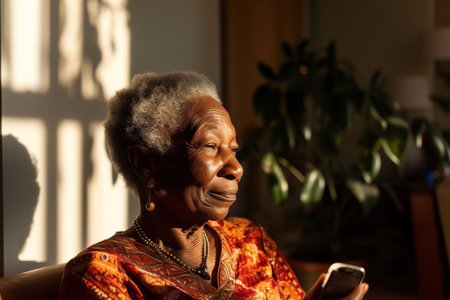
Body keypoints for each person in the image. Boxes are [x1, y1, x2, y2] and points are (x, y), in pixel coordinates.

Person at [59, 71, 369, 299]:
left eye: (233, 150)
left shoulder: (252, 241)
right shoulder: (103, 274)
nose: (236, 168)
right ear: (145, 163)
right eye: (209, 146)